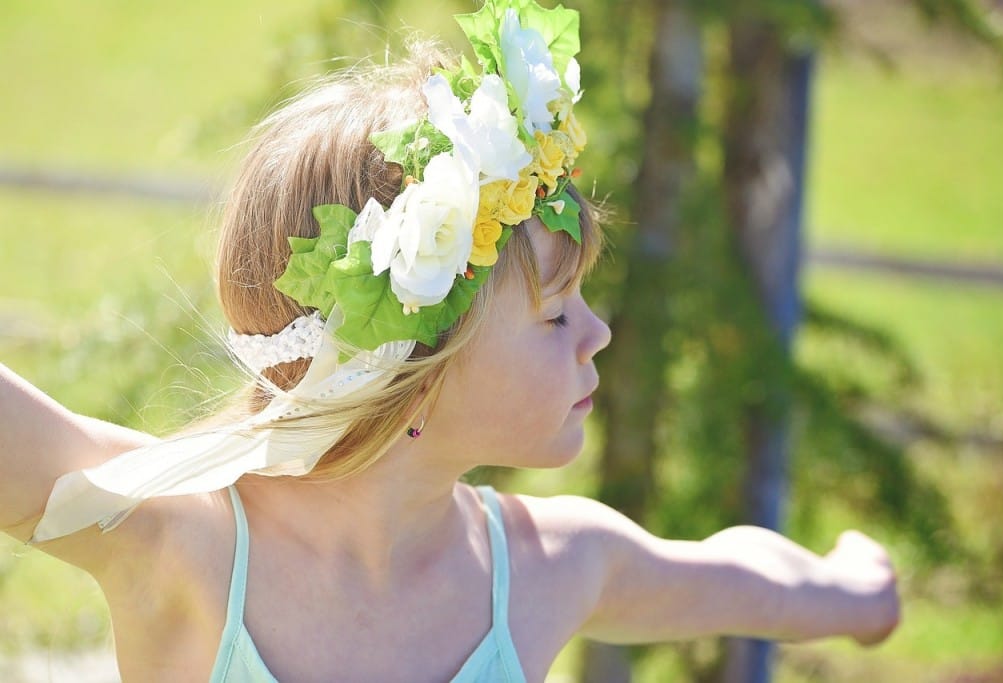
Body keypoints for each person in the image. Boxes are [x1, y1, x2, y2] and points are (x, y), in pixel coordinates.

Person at [0, 1, 900, 680]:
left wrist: (853, 589)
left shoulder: (545, 569)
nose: (599, 333)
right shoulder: (170, 533)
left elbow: (734, 573)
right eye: (556, 313)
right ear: (411, 363)